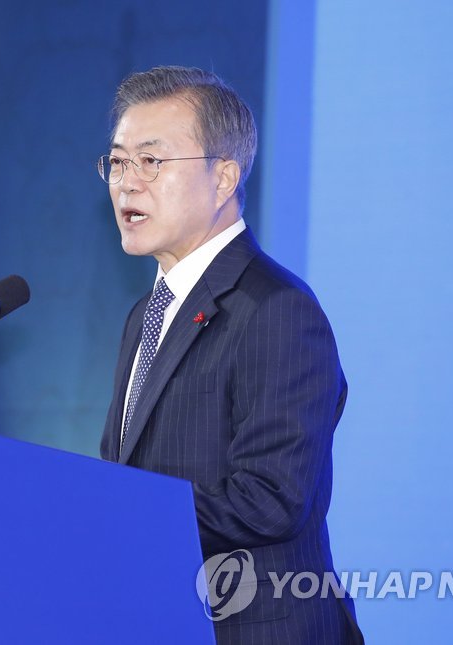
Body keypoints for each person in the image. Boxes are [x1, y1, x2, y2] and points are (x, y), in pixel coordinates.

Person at [98, 66, 362, 644]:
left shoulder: (276, 309)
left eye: (151, 160)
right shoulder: (144, 314)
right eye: (117, 162)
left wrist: (116, 512)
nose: (126, 183)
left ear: (223, 178)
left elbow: (272, 500)